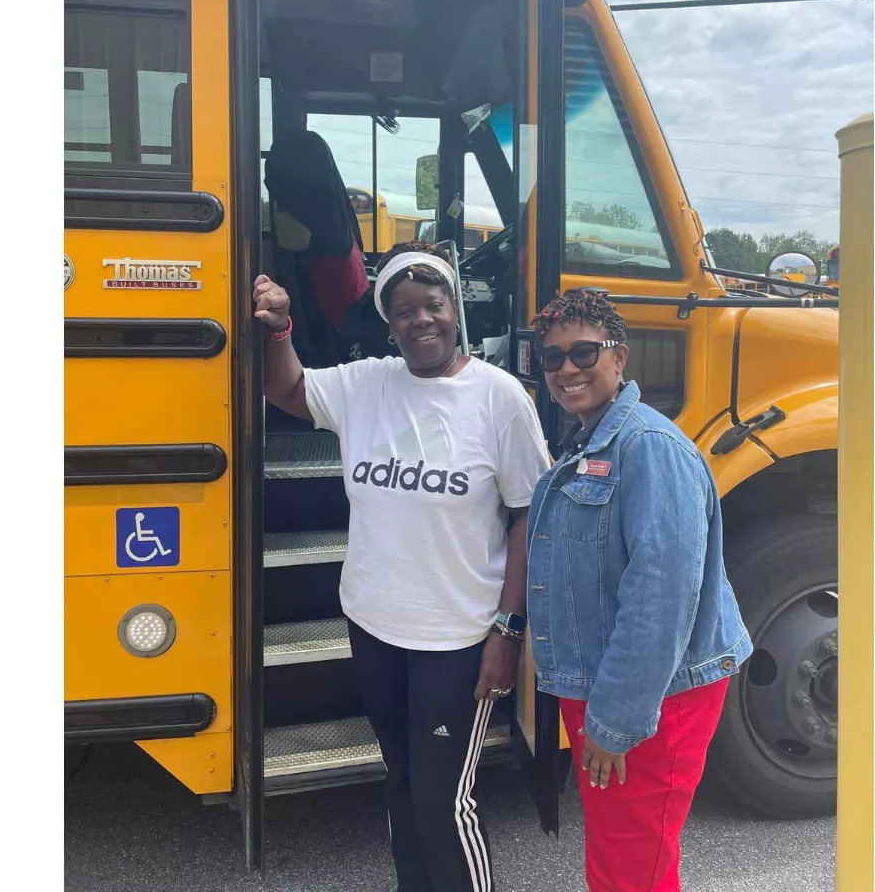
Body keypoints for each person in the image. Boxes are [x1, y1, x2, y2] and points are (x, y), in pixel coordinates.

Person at [254, 242, 551, 892]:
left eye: (433, 306)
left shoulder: (500, 399)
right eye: (405, 311)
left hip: (460, 639)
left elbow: (531, 513)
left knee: (445, 804)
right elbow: (288, 387)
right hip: (377, 627)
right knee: (402, 786)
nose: (422, 321)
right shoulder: (367, 385)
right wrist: (280, 330)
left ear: (454, 311)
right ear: (389, 324)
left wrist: (509, 629)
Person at [523, 289, 753, 892]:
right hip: (614, 688)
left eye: (583, 352)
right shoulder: (592, 438)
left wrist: (616, 720)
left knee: (632, 869)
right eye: (553, 358)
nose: (567, 369)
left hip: (651, 699)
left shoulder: (649, 448)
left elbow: (662, 596)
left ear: (618, 357)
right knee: (622, 857)